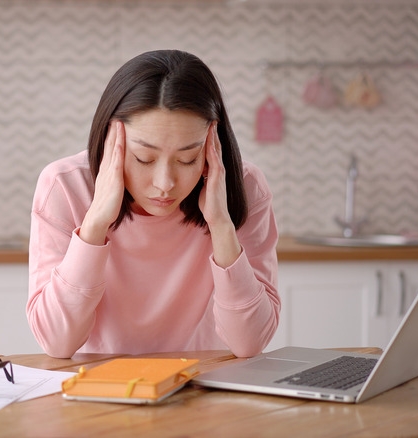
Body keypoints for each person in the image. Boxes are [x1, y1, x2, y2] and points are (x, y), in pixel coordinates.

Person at [27, 50, 279, 359]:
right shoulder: (65, 186)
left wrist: (221, 226)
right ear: (111, 138)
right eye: (143, 158)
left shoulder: (244, 186)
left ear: (213, 142)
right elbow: (56, 342)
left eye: (187, 158)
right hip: (103, 389)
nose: (165, 183)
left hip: (207, 387)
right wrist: (94, 226)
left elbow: (250, 343)